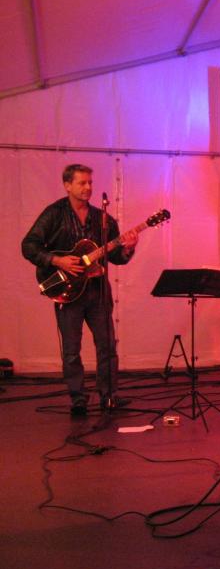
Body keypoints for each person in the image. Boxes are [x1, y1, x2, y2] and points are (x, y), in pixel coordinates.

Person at [21, 164, 139, 415]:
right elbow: (28, 245)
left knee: (107, 346)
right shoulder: (54, 213)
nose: (88, 187)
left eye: (90, 183)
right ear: (67, 185)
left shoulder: (102, 218)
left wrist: (128, 247)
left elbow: (116, 256)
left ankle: (109, 395)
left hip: (97, 291)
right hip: (68, 291)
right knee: (71, 350)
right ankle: (78, 399)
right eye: (82, 183)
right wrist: (57, 260)